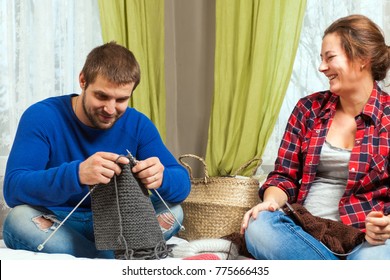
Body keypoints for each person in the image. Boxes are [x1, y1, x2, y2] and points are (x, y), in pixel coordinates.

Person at [2, 41, 191, 258]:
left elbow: (182, 185)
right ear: (83, 81)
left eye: (121, 99)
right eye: (102, 96)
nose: (110, 109)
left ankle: (91, 258)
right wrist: (78, 174)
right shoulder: (41, 116)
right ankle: (111, 259)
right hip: (58, 222)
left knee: (174, 211)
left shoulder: (138, 124)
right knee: (18, 219)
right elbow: (14, 188)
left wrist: (162, 177)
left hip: (119, 225)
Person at [241, 14, 390, 260]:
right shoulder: (308, 109)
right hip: (305, 232)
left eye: (330, 57)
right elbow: (283, 177)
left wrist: (386, 225)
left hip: (365, 240)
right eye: (321, 58)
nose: (322, 67)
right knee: (259, 226)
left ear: (363, 58)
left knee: (378, 258)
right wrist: (270, 202)